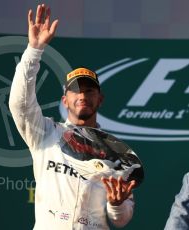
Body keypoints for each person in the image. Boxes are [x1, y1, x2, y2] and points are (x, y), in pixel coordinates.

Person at [9, 4, 136, 229]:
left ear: (100, 99)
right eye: (75, 90)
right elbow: (19, 104)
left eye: (89, 90)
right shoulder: (45, 132)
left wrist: (117, 205)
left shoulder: (116, 152)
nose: (82, 95)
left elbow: (121, 220)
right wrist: (34, 50)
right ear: (64, 100)